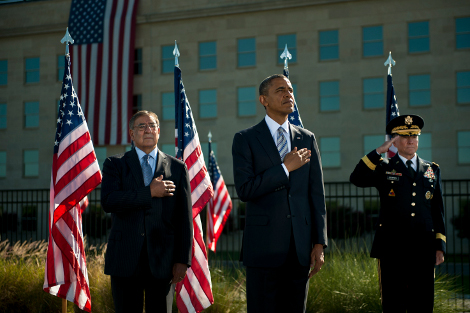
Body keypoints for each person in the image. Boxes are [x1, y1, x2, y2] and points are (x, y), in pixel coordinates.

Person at [232, 74, 327, 313]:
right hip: (263, 249)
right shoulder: (245, 139)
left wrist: (319, 242)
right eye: (280, 90)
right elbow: (245, 189)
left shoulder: (307, 138)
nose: (288, 94)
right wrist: (285, 168)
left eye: (291, 90)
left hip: (300, 249)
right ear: (263, 99)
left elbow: (316, 195)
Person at [350, 114, 445, 312]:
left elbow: (437, 210)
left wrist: (440, 246)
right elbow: (357, 178)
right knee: (394, 303)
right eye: (405, 136)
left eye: (415, 136)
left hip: (423, 248)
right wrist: (378, 152)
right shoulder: (385, 167)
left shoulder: (432, 169)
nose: (411, 140)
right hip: (392, 248)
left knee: (423, 302)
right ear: (395, 140)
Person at [101, 110, 193, 313]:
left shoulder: (177, 168)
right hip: (125, 260)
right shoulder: (114, 164)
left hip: (163, 261)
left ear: (159, 132)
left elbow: (184, 218)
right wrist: (149, 192)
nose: (148, 130)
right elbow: (109, 201)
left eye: (152, 125)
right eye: (141, 126)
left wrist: (183, 260)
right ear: (132, 134)